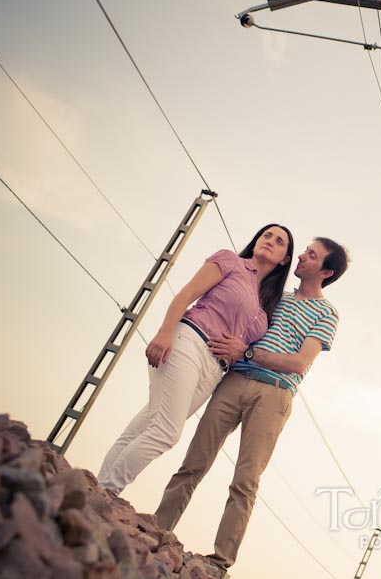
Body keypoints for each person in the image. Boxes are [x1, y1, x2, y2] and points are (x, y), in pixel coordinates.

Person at [154, 237, 350, 573]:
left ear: (326, 271)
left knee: (245, 481)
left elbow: (300, 363)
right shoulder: (275, 299)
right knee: (194, 462)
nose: (301, 256)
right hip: (233, 382)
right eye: (305, 250)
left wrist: (246, 353)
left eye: (312, 255)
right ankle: (158, 529)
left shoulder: (327, 313)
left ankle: (219, 561)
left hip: (275, 395)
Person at [97, 224, 295, 495]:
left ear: (285, 259)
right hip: (188, 342)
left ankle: (96, 489)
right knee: (167, 432)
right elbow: (188, 293)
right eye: (266, 235)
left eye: (279, 241)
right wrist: (165, 332)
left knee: (148, 421)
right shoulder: (230, 261)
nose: (270, 241)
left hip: (214, 370)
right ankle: (109, 490)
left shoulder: (267, 305)